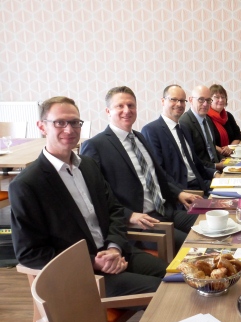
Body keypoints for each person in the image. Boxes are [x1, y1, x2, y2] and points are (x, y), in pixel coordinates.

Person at [10, 96, 166, 297]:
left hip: (116, 253)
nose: (69, 129)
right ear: (42, 127)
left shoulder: (88, 166)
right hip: (80, 274)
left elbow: (115, 211)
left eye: (75, 122)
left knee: (178, 276)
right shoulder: (27, 185)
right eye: (60, 123)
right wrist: (93, 260)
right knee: (165, 295)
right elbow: (29, 253)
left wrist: (114, 248)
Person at [80, 86, 201, 252]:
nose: (126, 110)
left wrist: (178, 193)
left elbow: (157, 175)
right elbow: (96, 197)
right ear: (108, 111)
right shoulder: (95, 146)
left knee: (209, 225)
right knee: (195, 244)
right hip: (141, 221)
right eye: (119, 106)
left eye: (131, 105)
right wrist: (128, 215)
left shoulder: (140, 137)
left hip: (166, 210)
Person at [141, 84, 217, 194]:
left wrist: (216, 174)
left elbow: (196, 164)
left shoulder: (184, 128)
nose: (179, 104)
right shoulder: (151, 130)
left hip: (200, 185)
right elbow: (159, 173)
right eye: (174, 100)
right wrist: (180, 193)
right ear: (163, 101)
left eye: (182, 101)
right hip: (182, 192)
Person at [178, 85, 224, 171]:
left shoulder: (207, 120)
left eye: (208, 100)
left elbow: (212, 147)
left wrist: (222, 159)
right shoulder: (184, 123)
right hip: (203, 173)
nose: (205, 104)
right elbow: (192, 159)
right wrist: (216, 166)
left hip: (217, 168)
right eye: (201, 99)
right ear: (191, 100)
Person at [207, 84, 241, 157]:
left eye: (223, 97)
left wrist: (230, 148)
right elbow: (206, 141)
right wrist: (223, 151)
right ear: (210, 100)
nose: (221, 100)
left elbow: (238, 136)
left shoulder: (228, 116)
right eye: (217, 97)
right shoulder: (205, 118)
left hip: (232, 154)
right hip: (215, 158)